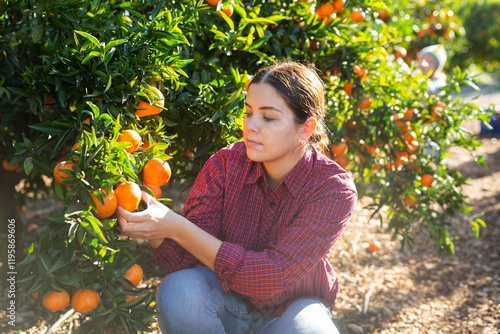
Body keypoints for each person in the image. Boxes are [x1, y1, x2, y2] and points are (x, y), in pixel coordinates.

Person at [116, 61, 358, 334]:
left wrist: (179, 227)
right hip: (224, 301)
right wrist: (155, 227)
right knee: (180, 291)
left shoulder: (331, 189)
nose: (251, 126)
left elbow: (272, 275)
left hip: (291, 311)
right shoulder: (225, 164)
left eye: (268, 117)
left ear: (305, 128)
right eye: (248, 112)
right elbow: (184, 264)